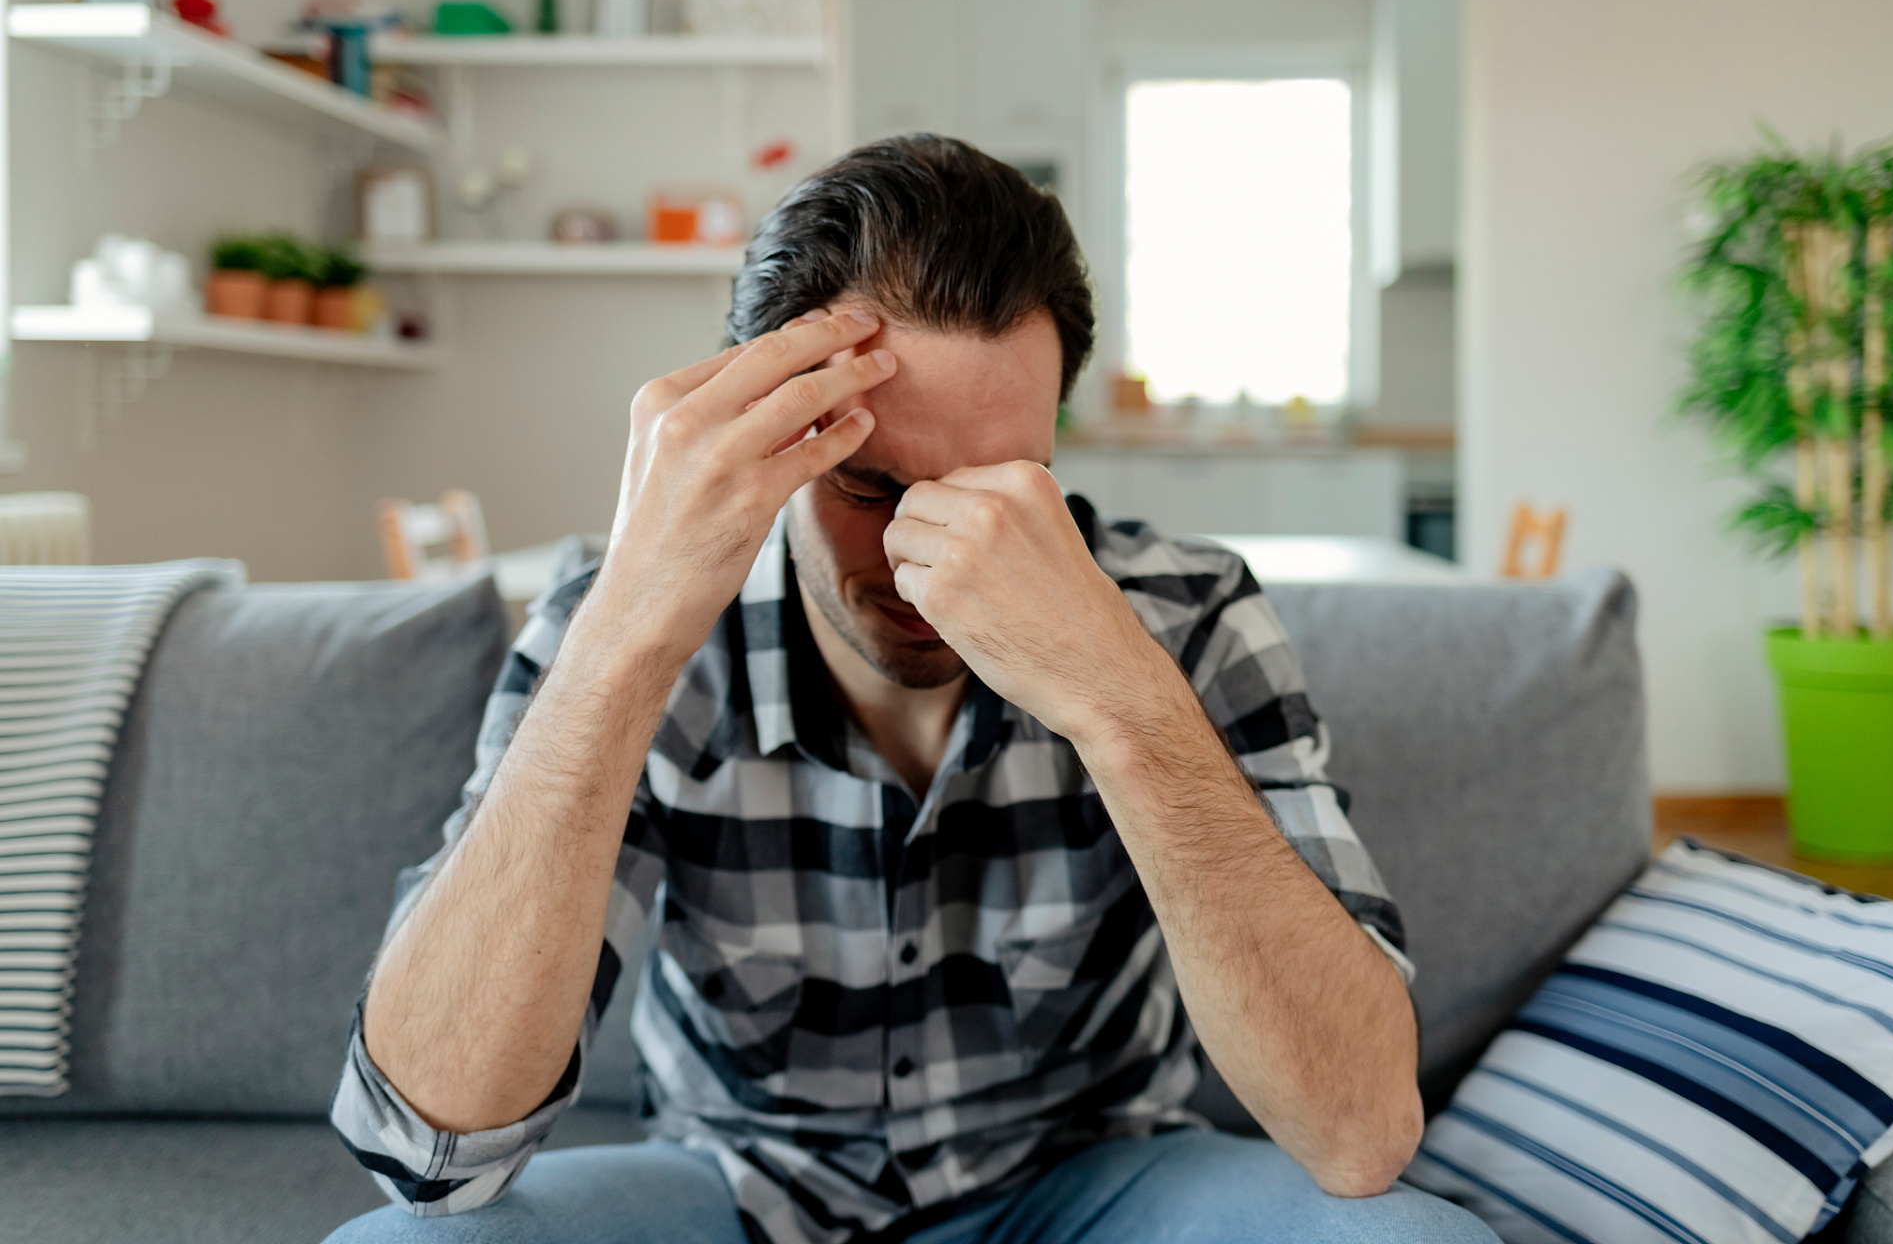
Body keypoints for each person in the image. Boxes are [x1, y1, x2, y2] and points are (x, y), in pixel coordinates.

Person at [326, 135, 1495, 1244]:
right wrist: (624, 637)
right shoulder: (629, 619)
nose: (932, 563)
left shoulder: (1185, 611)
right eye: (870, 487)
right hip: (741, 1187)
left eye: (998, 488)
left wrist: (1120, 699)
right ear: (767, 436)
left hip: (1087, 1182)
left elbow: (1360, 1133)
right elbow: (426, 1149)